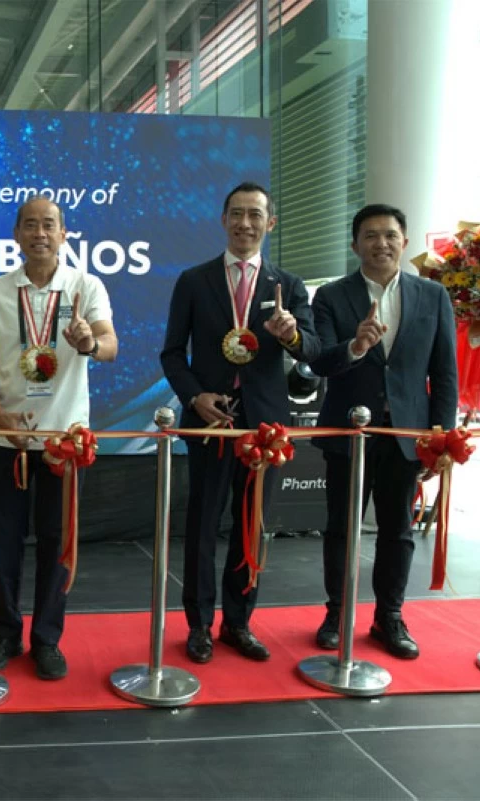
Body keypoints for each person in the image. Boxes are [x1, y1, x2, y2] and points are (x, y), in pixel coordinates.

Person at [160, 182, 319, 664]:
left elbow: (310, 349)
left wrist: (291, 336)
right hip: (210, 420)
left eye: (255, 215)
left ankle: (239, 622)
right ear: (223, 219)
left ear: (271, 224)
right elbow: (171, 353)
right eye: (237, 214)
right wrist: (195, 396)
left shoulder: (288, 287)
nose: (245, 223)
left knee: (253, 527)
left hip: (265, 427)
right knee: (204, 523)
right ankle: (199, 625)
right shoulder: (194, 280)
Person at [0, 197, 118, 680]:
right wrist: (0, 417)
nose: (40, 233)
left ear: (64, 233)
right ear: (15, 234)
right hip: (5, 442)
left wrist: (88, 344)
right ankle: (6, 632)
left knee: (58, 543)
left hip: (64, 443)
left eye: (49, 225)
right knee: (4, 542)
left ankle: (47, 639)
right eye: (30, 225)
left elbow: (111, 347)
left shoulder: (85, 285)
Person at [309, 203, 457, 659]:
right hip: (348, 433)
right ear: (355, 245)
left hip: (406, 433)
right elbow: (319, 362)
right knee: (341, 529)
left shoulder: (432, 297)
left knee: (399, 531)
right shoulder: (332, 297)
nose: (381, 244)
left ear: (405, 242)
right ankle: (336, 613)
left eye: (390, 235)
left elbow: (445, 374)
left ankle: (389, 617)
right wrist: (355, 345)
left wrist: (441, 439)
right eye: (370, 236)